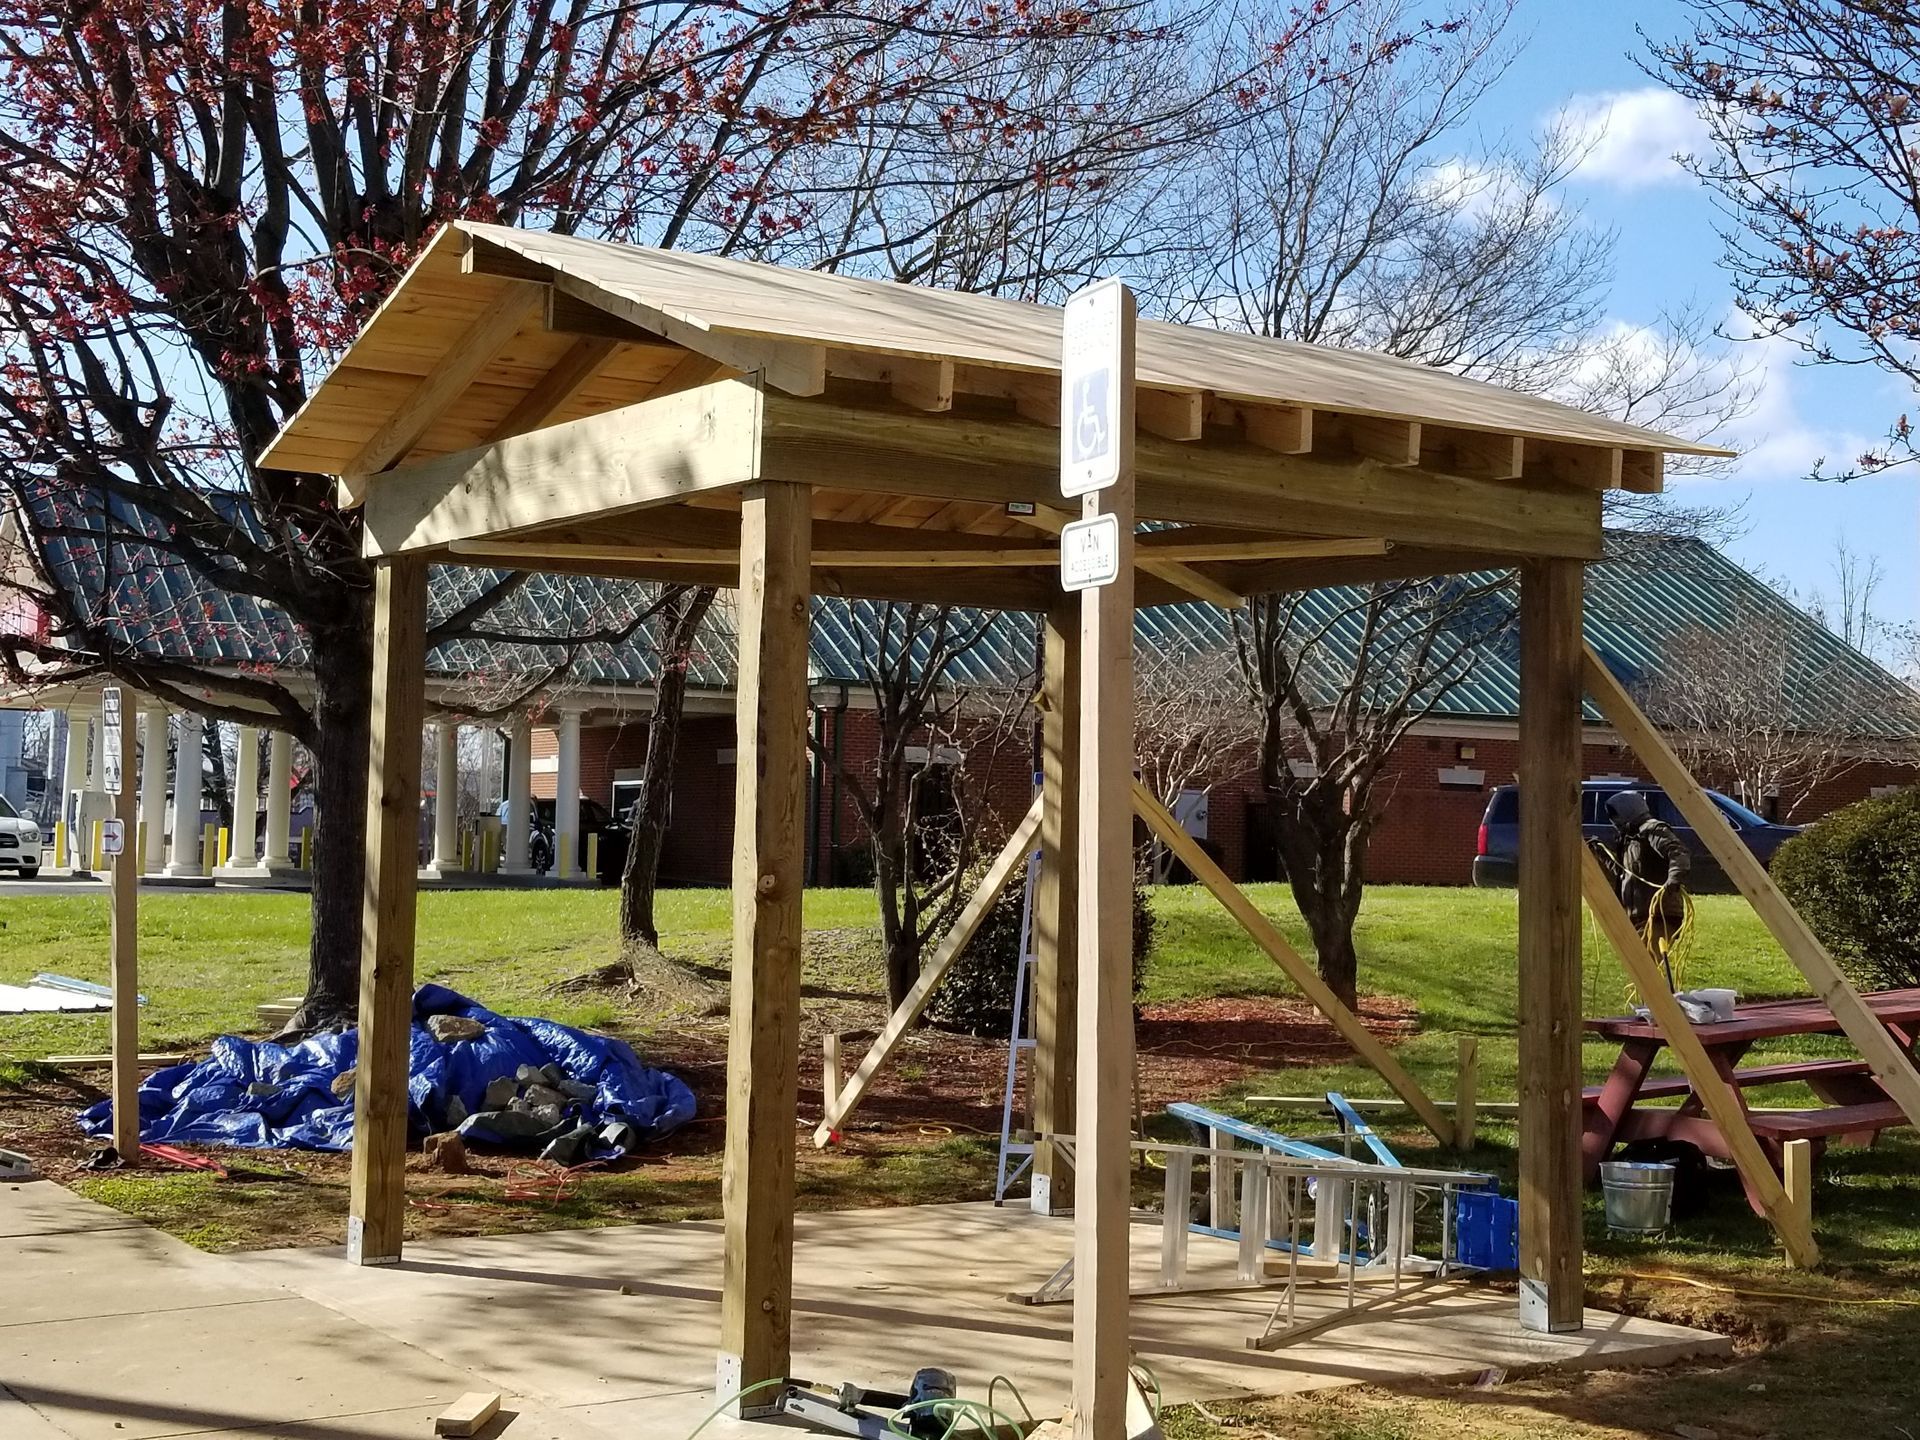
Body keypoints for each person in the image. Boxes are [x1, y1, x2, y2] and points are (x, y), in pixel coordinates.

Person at [1600, 790, 1691, 983]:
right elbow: (1625, 874)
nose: (1614, 821)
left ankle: (1664, 1009)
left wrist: (1672, 882)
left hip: (1660, 915)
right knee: (1641, 970)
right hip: (1638, 916)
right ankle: (1652, 1009)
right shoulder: (1629, 839)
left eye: (1616, 815)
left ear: (1628, 811)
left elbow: (1678, 853)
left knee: (1646, 969)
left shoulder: (1652, 830)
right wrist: (1600, 854)